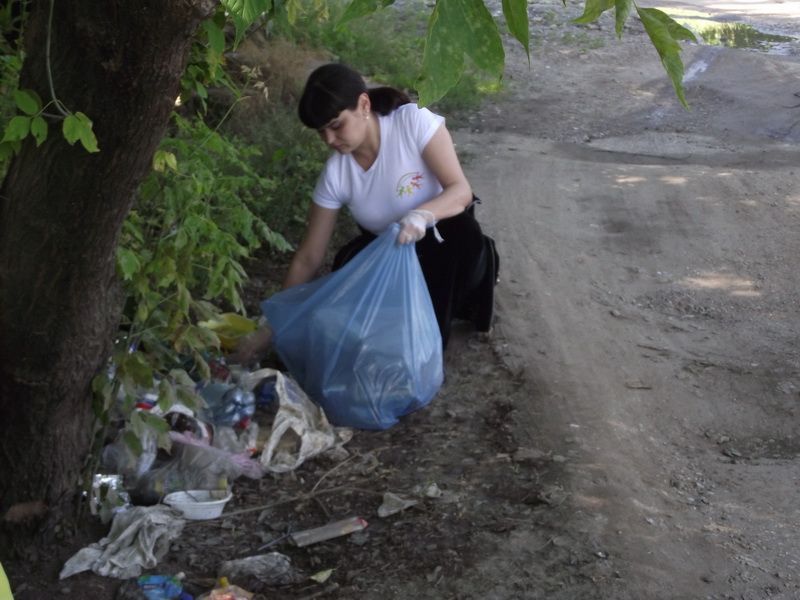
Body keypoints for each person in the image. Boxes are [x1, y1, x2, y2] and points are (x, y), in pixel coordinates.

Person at [234, 63, 497, 364]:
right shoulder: (336, 174)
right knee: (345, 264)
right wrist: (269, 326)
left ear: (363, 104)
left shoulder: (411, 122)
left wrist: (421, 215)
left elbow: (460, 191)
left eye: (336, 125)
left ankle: (426, 352)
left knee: (461, 238)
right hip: (391, 256)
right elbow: (309, 256)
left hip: (445, 248)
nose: (330, 141)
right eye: (321, 132)